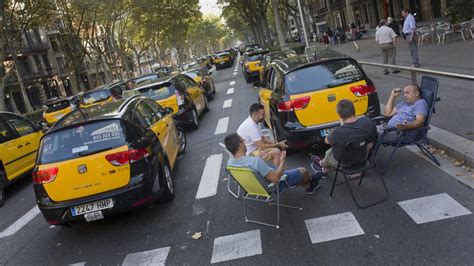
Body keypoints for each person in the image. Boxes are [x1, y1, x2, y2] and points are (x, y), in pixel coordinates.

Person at [225, 133, 322, 195]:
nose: (244, 143)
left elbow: (249, 166)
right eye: (243, 141)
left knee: (283, 171)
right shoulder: (255, 162)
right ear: (240, 144)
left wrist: (259, 159)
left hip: (253, 189)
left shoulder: (230, 163)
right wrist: (282, 161)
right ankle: (311, 183)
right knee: (303, 171)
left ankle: (307, 183)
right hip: (271, 188)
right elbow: (276, 179)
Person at [311, 99, 377, 175]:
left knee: (329, 152)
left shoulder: (338, 132)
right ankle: (324, 170)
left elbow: (326, 141)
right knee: (335, 151)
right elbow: (373, 140)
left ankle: (321, 165)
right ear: (354, 110)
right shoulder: (367, 121)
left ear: (339, 115)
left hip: (345, 161)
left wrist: (342, 125)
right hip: (363, 156)